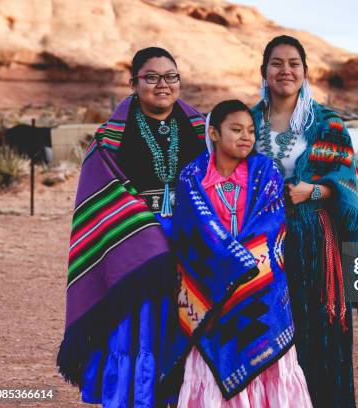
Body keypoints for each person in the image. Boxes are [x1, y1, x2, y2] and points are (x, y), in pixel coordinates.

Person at [57, 47, 207, 407]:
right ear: (133, 83)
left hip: (191, 241)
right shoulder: (110, 137)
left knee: (186, 320)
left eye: (171, 76)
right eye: (151, 77)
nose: (162, 85)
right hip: (133, 243)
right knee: (138, 327)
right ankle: (134, 397)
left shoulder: (202, 130)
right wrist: (148, 235)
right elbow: (99, 192)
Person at [250, 35, 358, 407]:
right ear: (264, 70)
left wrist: (312, 192)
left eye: (293, 63)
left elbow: (348, 188)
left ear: (305, 72)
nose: (284, 70)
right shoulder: (245, 122)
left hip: (315, 244)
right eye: (276, 63)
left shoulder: (327, 124)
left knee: (320, 335)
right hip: (260, 245)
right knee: (268, 336)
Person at [169, 100, 312, 407]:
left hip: (260, 289)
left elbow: (271, 226)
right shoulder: (192, 177)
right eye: (236, 129)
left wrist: (239, 266)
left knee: (267, 367)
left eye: (250, 130)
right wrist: (228, 265)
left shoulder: (266, 172)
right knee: (210, 370)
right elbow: (191, 233)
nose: (246, 136)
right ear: (214, 133)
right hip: (210, 291)